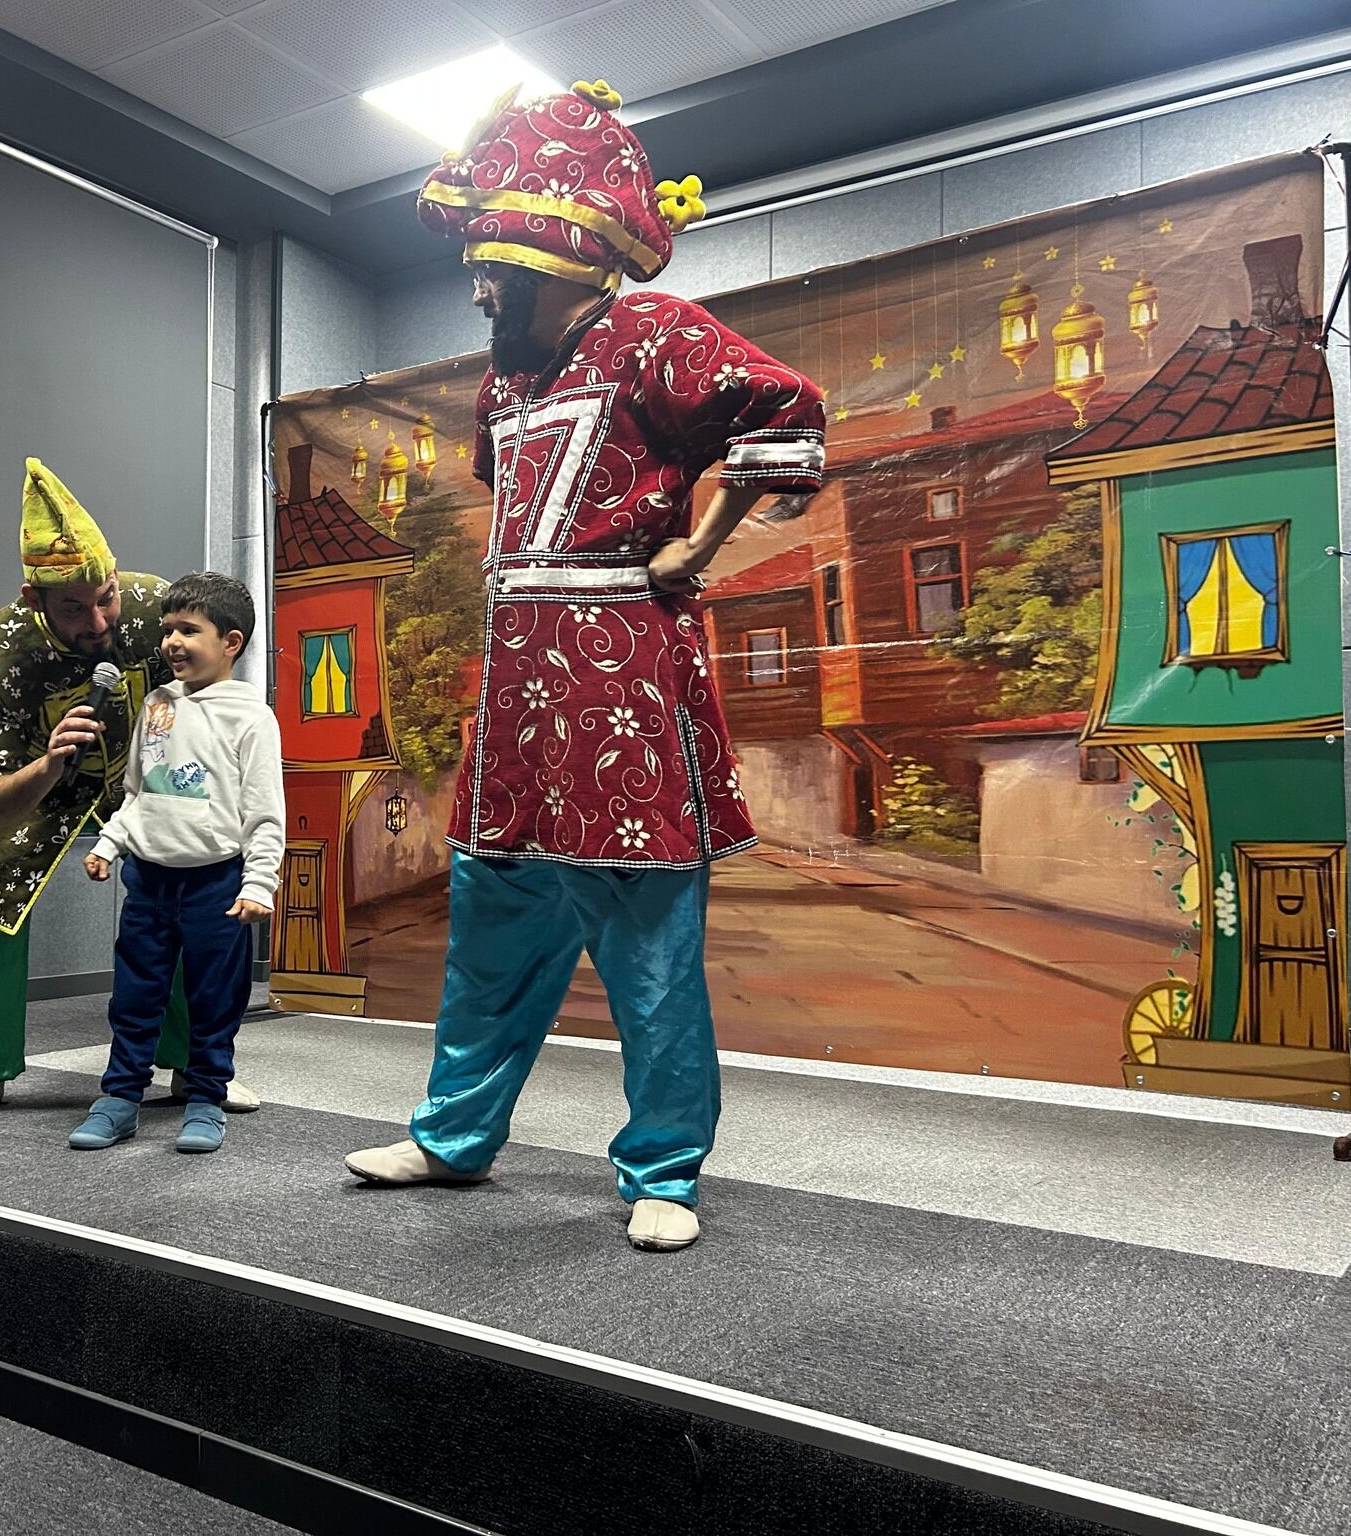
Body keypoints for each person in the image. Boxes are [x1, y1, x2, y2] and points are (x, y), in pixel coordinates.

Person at [342, 80, 826, 1252]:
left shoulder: (654, 334)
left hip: (621, 677)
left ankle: (662, 1168)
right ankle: (453, 1135)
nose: (477, 289)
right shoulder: (503, 377)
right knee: (487, 926)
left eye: (490, 268)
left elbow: (787, 409)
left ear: (550, 256)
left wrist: (695, 547)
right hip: (517, 685)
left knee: (647, 944)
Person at [0, 461, 261, 1121]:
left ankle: (196, 1069)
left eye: (106, 596)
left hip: (153, 774)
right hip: (41, 786)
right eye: (74, 608)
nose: (99, 620)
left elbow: (216, 679)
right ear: (34, 598)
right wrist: (49, 765)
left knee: (195, 882)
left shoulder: (156, 610)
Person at [69, 573, 284, 1156]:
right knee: (135, 995)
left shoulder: (251, 717)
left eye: (189, 630)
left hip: (217, 883)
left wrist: (259, 882)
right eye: (168, 630)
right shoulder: (158, 704)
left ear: (231, 642)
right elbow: (140, 791)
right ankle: (119, 1098)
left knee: (215, 997)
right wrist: (109, 844)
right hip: (149, 880)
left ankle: (206, 1099)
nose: (172, 642)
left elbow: (265, 813)